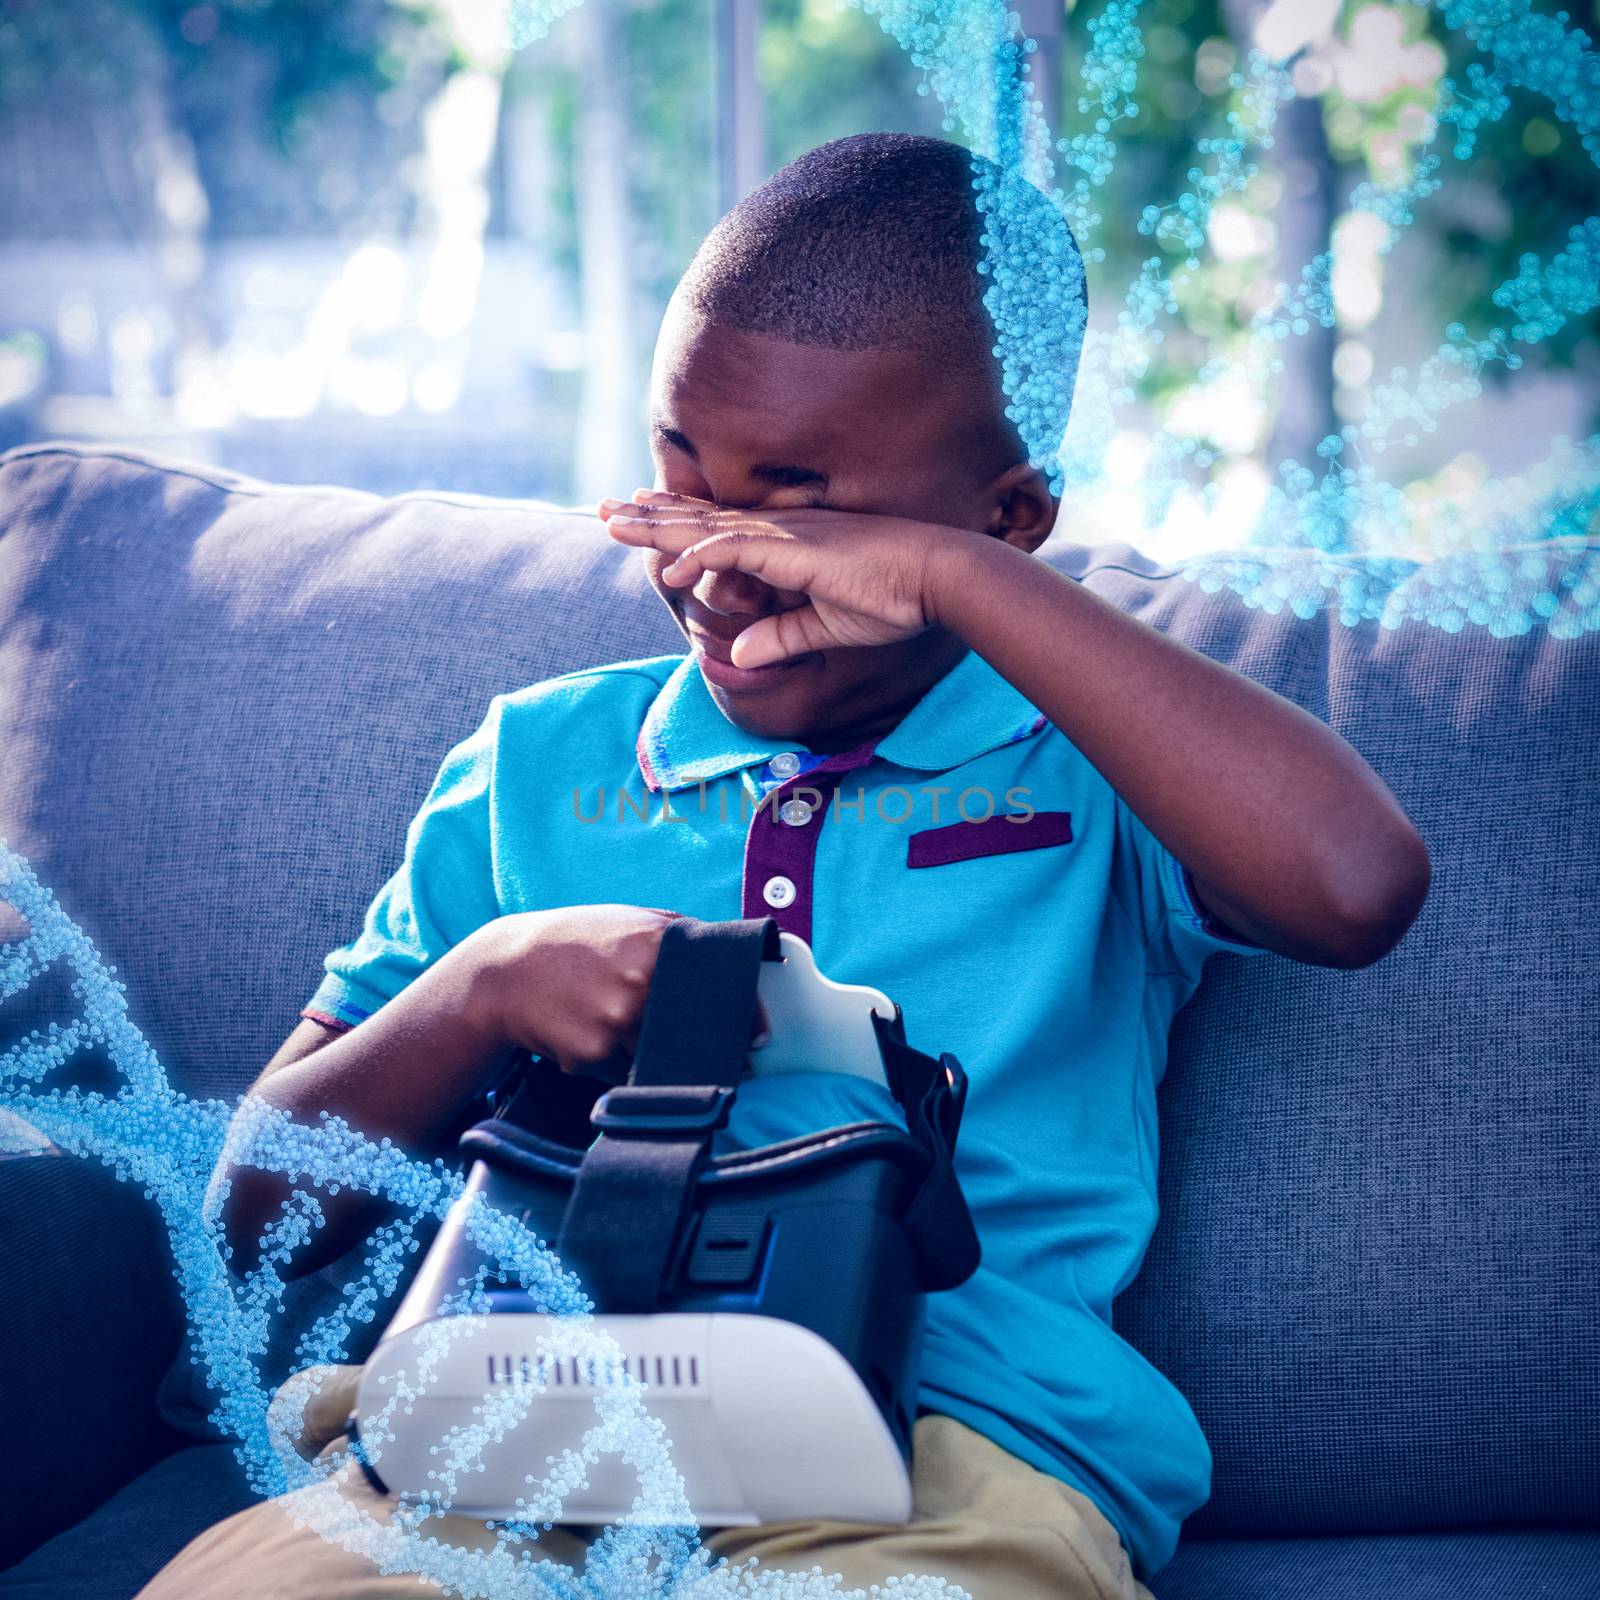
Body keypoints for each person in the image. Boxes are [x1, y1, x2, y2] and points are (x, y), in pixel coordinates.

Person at [140, 131, 1430, 1600]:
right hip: (501, 1427)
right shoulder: (538, 762)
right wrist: (480, 990)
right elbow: (247, 1214)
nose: (709, 563)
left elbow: (1356, 886)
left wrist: (955, 584)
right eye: (677, 479)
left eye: (797, 508)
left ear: (1007, 515)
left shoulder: (1103, 760)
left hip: (954, 1455)